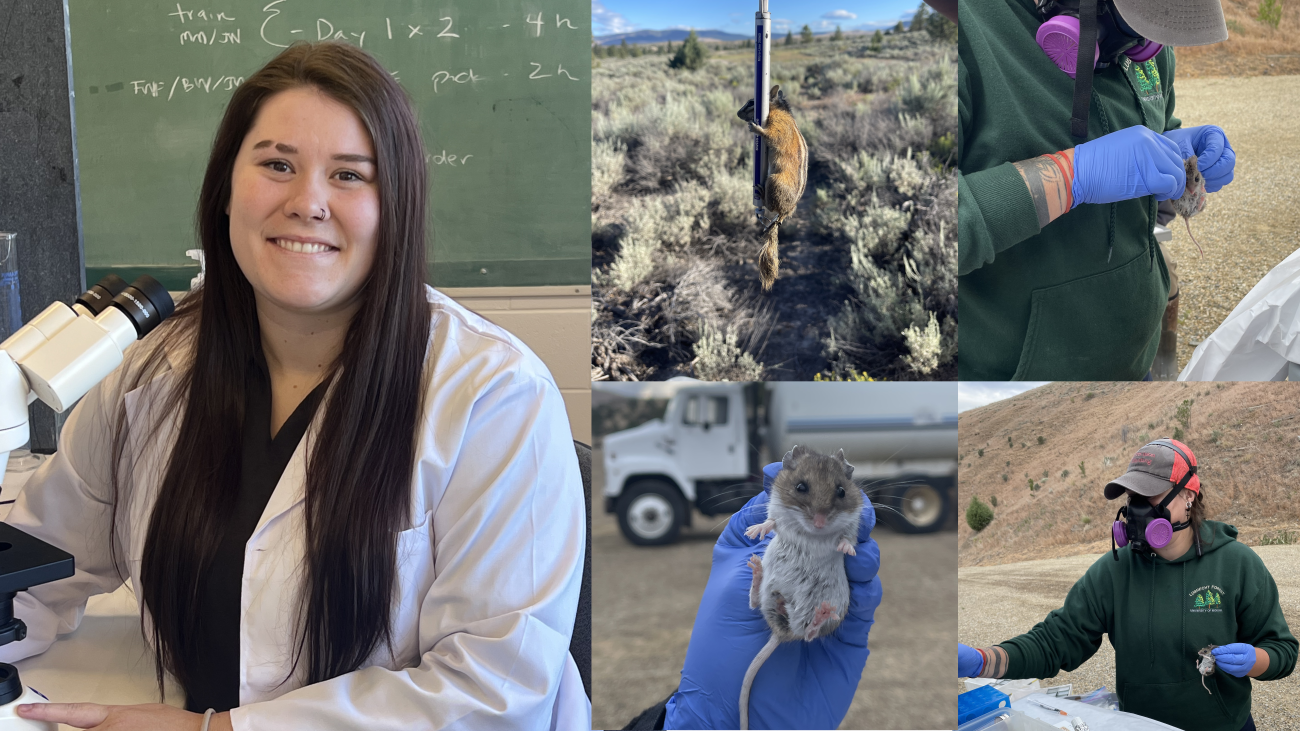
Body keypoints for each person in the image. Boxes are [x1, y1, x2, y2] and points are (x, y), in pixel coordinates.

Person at [1, 42, 586, 730]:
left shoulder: (494, 394)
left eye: (349, 175)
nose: (307, 202)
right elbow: (44, 563)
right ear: (225, 190)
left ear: (395, 203)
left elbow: (493, 691)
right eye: (277, 165)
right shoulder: (151, 368)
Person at [959, 0, 1238, 379]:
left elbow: (1148, 129)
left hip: (1135, 361)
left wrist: (1177, 158)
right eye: (1136, 19)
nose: (1146, 46)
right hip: (1019, 393)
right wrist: (1071, 174)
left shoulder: (1146, 43)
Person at [958, 439, 1296, 731]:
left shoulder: (1237, 563)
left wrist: (1257, 660)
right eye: (1132, 496)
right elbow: (1055, 640)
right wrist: (984, 660)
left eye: (1149, 497)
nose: (1135, 511)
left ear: (1189, 494)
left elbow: (1283, 649)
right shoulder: (1114, 570)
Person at [623, 462, 882, 731]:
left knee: (838, 599)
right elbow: (776, 517)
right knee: (768, 563)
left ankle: (813, 623)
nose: (818, 518)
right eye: (803, 489)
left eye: (838, 494)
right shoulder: (785, 495)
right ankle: (766, 590)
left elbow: (848, 530)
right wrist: (768, 523)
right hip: (781, 599)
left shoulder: (846, 507)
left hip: (815, 594)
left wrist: (845, 541)